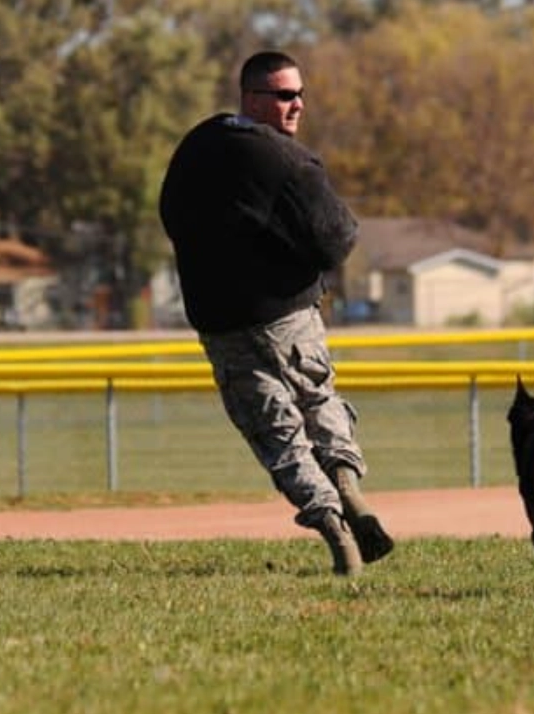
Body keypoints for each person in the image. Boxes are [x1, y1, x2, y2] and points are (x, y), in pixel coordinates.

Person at [158, 50, 393, 575]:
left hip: (221, 322)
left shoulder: (196, 146)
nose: (298, 105)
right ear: (254, 99)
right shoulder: (290, 162)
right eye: (286, 96)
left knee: (276, 433)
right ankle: (348, 488)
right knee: (318, 399)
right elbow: (337, 240)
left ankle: (336, 530)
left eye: (301, 94)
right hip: (289, 316)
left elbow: (171, 215)